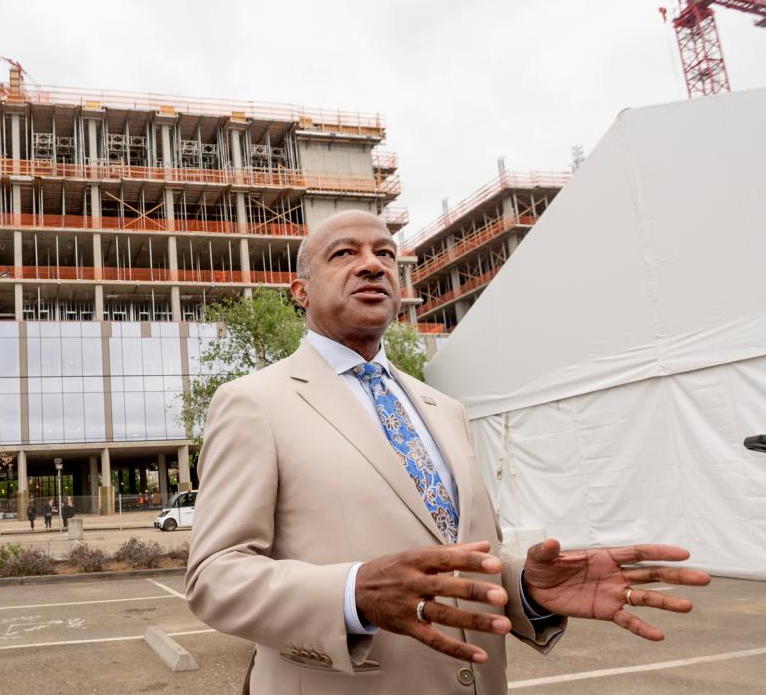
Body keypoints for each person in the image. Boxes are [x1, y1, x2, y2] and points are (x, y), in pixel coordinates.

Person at [184, 210, 710, 693]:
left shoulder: (444, 407)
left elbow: (465, 551)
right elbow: (215, 576)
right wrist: (351, 592)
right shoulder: (254, 402)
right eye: (345, 253)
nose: (372, 265)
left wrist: (525, 586)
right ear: (299, 290)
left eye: (385, 254)